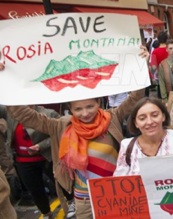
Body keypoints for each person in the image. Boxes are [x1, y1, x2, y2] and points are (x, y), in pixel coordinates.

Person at [3, 46, 149, 219]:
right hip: (84, 197)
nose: (85, 113)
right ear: (70, 110)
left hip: (115, 191)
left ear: (99, 104)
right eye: (78, 109)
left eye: (90, 106)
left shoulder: (112, 117)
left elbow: (135, 98)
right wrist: (4, 79)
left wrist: (142, 64)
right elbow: (24, 115)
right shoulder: (60, 125)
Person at [5, 105, 66, 219]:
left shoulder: (49, 113)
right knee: (35, 190)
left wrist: (40, 146)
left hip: (48, 158)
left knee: (62, 182)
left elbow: (61, 133)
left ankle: (71, 203)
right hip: (23, 161)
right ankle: (46, 213)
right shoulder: (12, 114)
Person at [113, 97, 173, 176]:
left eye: (155, 115)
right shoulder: (127, 146)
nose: (149, 122)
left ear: (163, 116)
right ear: (136, 123)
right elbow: (119, 180)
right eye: (142, 118)